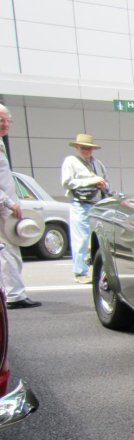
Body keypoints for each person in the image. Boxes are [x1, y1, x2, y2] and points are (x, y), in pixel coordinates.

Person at [0, 104, 42, 309]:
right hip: (3, 208)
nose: (6, 124)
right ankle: (14, 295)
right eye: (1, 120)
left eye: (8, 120)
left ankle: (11, 293)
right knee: (8, 251)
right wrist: (8, 202)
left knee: (8, 251)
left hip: (6, 206)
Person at [61, 133, 109, 283]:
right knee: (81, 239)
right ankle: (80, 272)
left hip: (97, 204)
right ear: (77, 147)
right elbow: (67, 182)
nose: (86, 150)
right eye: (83, 148)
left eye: (89, 148)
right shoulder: (71, 161)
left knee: (101, 239)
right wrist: (91, 181)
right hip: (80, 204)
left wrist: (103, 185)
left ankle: (101, 270)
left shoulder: (98, 164)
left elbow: (107, 182)